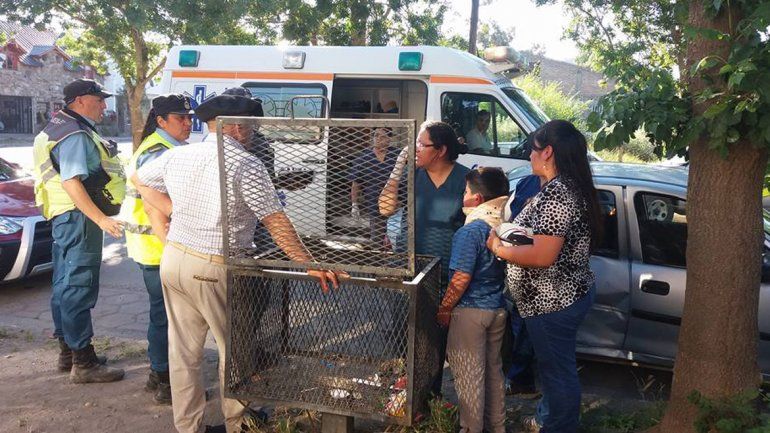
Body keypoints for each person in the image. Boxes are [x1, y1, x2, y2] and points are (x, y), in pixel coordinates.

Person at [133, 94, 343, 433]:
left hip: (175, 259)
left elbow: (139, 179)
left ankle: (188, 426)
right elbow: (276, 221)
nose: (254, 130)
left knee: (184, 350)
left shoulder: (180, 155)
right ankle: (238, 421)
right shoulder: (246, 165)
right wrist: (309, 263)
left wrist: (175, 213)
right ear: (236, 127)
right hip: (214, 265)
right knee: (234, 347)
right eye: (251, 125)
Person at [487, 120, 602, 433]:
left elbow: (542, 255)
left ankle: (559, 426)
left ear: (547, 152)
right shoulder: (558, 188)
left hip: (553, 302)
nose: (528, 156)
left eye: (532, 150)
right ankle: (549, 418)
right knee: (555, 368)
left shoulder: (559, 195)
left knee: (557, 372)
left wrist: (499, 248)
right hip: (554, 298)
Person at [32, 78, 126, 383]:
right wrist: (100, 219)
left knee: (63, 283)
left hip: (64, 216)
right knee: (78, 285)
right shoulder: (73, 133)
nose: (103, 105)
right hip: (78, 217)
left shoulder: (57, 127)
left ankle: (69, 351)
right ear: (81, 100)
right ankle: (84, 363)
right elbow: (72, 181)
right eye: (99, 100)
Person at [379, 120, 470, 397]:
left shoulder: (466, 180)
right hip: (408, 269)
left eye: (421, 144)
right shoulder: (413, 175)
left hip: (444, 276)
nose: (414, 149)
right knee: (403, 336)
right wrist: (397, 169)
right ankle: (403, 397)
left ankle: (429, 399)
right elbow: (385, 209)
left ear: (440, 150)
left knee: (434, 344)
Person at [120, 94, 194, 405]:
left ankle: (158, 374)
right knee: (166, 317)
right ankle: (166, 382)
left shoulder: (166, 147)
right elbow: (155, 206)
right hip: (158, 246)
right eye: (180, 118)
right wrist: (175, 248)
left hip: (156, 245)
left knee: (162, 315)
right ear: (161, 121)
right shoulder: (157, 152)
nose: (188, 123)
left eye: (189, 118)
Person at [437, 167, 509, 433]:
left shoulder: (470, 232)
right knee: (492, 374)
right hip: (497, 310)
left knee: (469, 378)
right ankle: (497, 427)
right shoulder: (502, 227)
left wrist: (445, 308)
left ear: (477, 199)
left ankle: (470, 428)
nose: (463, 196)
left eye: (466, 191)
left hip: (471, 312)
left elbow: (461, 277)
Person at [502, 174, 542, 399]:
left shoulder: (562, 190)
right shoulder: (527, 182)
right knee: (520, 329)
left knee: (527, 331)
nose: (529, 155)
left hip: (540, 276)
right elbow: (507, 216)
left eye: (534, 150)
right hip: (520, 272)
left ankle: (520, 379)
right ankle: (519, 378)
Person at [349, 127, 399, 247]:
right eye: (376, 136)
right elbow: (356, 184)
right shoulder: (362, 158)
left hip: (398, 208)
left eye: (382, 137)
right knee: (377, 243)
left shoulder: (397, 155)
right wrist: (354, 205)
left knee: (397, 242)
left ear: (389, 139)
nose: (378, 139)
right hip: (375, 209)